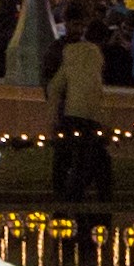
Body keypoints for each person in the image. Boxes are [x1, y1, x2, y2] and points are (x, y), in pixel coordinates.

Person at [47, 14, 111, 203]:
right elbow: (97, 90)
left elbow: (54, 86)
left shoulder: (70, 52)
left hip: (71, 113)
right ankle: (97, 197)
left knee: (66, 156)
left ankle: (65, 196)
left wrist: (53, 115)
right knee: (94, 159)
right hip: (92, 117)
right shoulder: (95, 55)